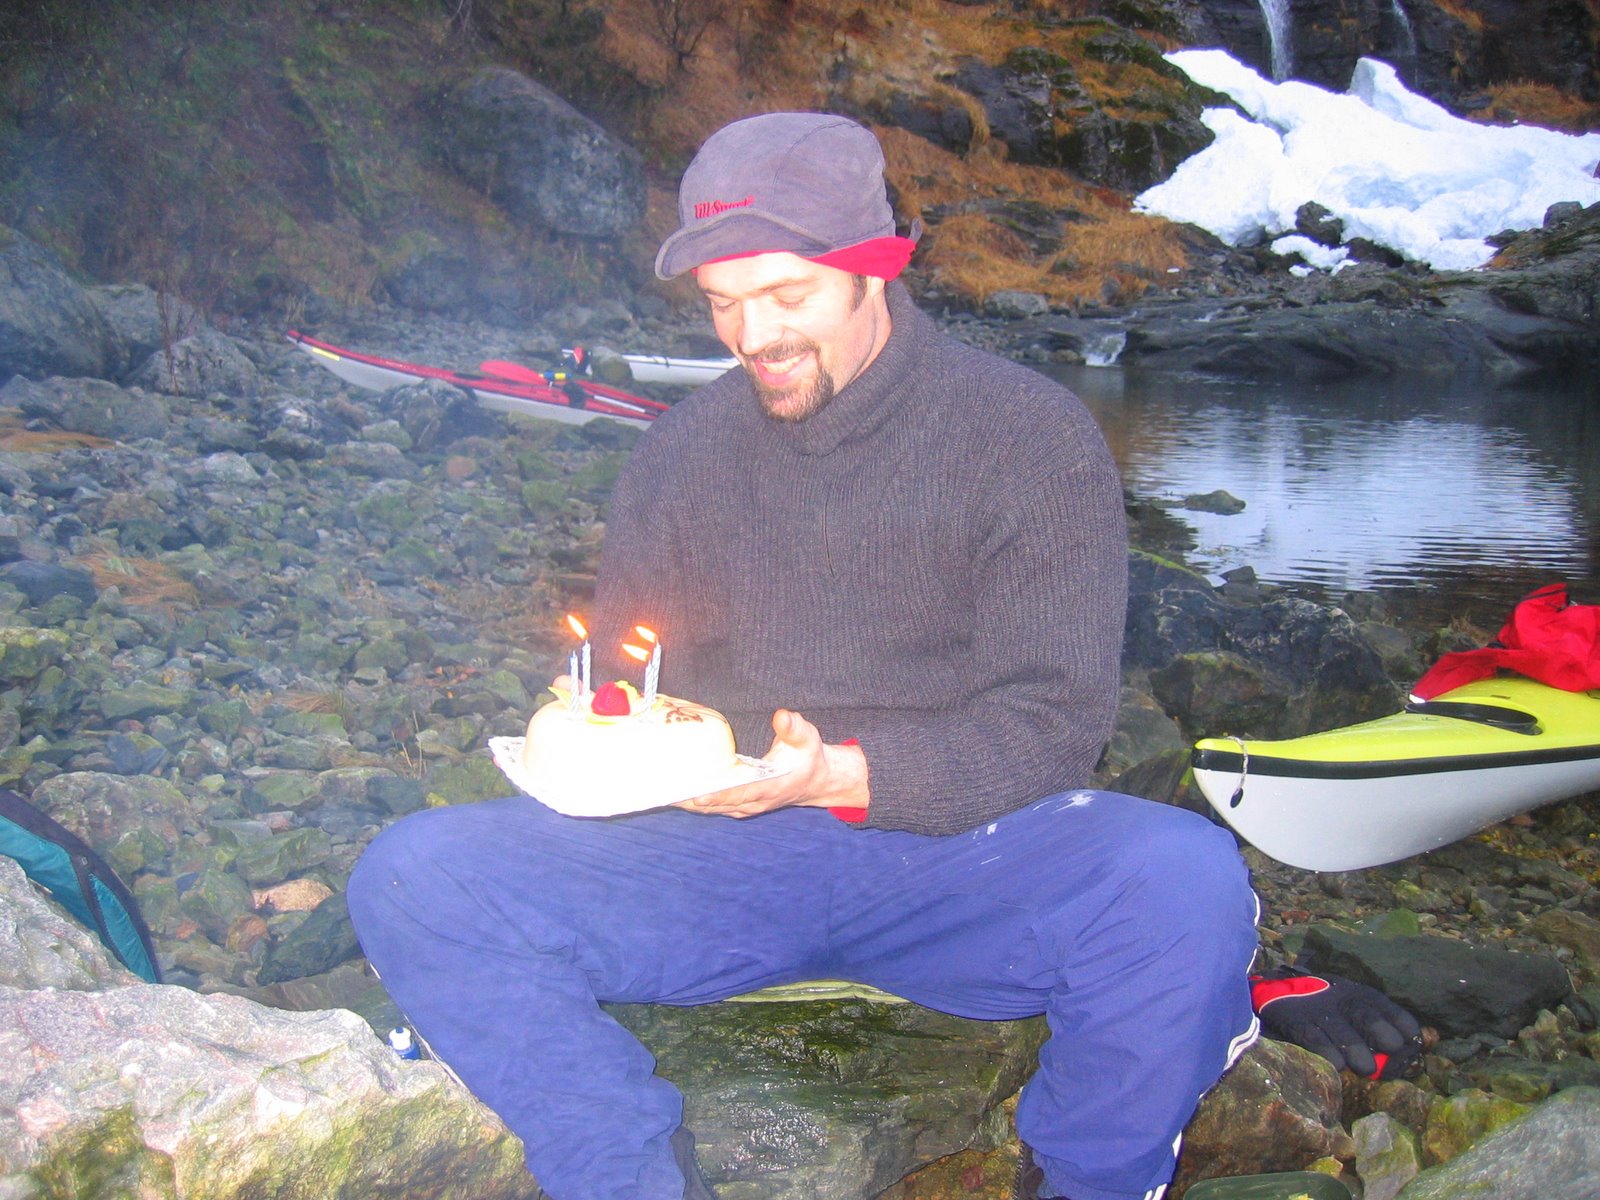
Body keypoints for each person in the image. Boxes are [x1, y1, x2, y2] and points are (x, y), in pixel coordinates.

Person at [348, 112, 1265, 1200]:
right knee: (416, 873)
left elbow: (1053, 727)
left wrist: (839, 774)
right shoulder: (678, 458)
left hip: (958, 860)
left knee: (1181, 877)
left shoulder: (1028, 438)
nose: (752, 336)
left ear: (874, 268)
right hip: (710, 864)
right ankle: (627, 1176)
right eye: (723, 303)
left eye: (786, 295)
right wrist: (611, 748)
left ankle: (1084, 1181)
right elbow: (631, 696)